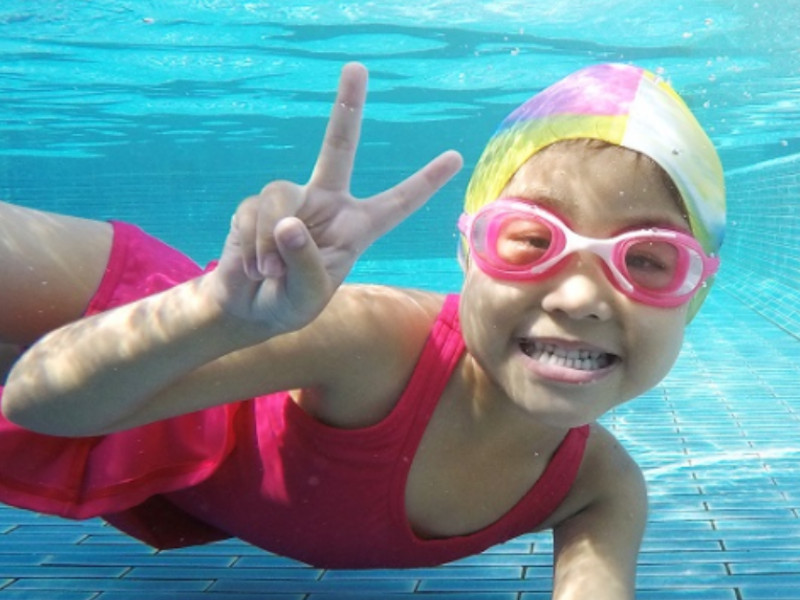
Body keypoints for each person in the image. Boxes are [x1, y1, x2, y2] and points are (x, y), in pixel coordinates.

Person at [0, 62, 724, 599]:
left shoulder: (599, 489)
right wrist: (217, 311)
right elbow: (36, 400)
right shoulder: (372, 340)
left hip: (153, 388)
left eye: (649, 260)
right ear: (467, 255)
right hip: (141, 319)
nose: (580, 296)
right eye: (531, 240)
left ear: (693, 295)